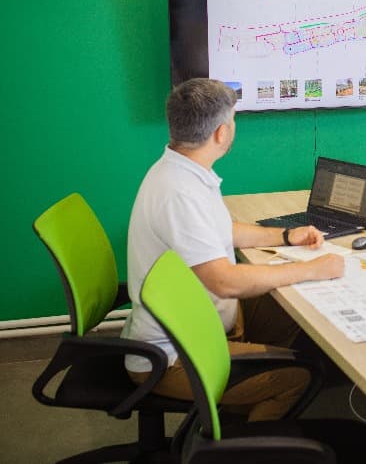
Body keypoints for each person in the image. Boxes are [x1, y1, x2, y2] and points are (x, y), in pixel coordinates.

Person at [121, 77, 345, 421]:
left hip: (199, 323)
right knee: (296, 377)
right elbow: (225, 281)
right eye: (233, 120)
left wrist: (287, 236)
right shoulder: (179, 193)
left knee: (294, 308)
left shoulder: (182, 170)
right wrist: (311, 269)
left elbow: (222, 231)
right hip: (173, 357)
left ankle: (244, 402)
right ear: (221, 133)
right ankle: (238, 439)